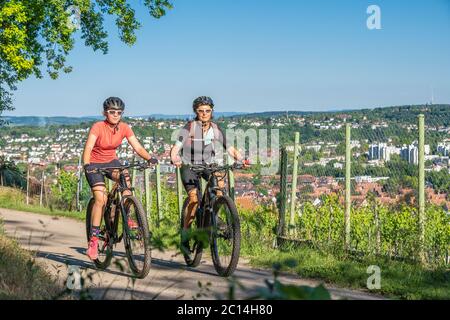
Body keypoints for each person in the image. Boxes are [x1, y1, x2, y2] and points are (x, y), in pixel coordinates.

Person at [170, 96, 249, 249]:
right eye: (201, 111)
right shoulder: (189, 127)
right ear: (196, 112)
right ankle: (185, 233)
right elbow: (176, 147)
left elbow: (230, 148)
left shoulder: (215, 128)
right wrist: (174, 158)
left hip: (207, 164)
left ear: (212, 111)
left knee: (219, 180)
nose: (205, 113)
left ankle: (215, 215)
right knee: (194, 199)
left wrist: (242, 159)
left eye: (208, 110)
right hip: (189, 166)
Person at [83, 97, 156, 261]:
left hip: (111, 162)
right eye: (112, 112)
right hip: (94, 164)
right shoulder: (98, 127)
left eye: (118, 112)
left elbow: (136, 146)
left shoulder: (124, 127)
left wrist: (149, 158)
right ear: (104, 112)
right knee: (100, 199)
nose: (115, 115)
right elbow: (88, 147)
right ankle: (93, 240)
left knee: (125, 180)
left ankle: (127, 216)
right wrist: (87, 164)